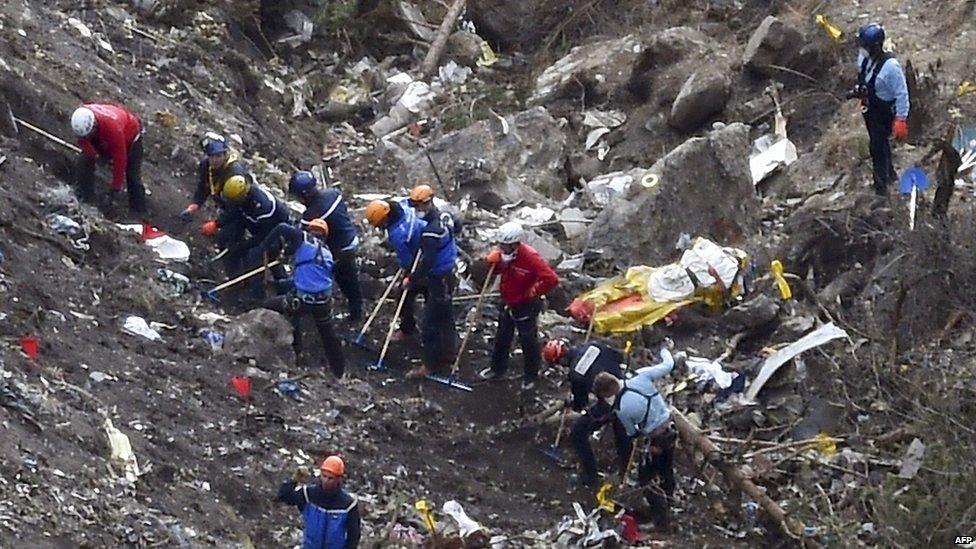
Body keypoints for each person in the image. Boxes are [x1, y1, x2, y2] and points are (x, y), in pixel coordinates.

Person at [593, 346, 678, 530]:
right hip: (671, 429)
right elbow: (668, 365)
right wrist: (664, 349)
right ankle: (670, 501)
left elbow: (632, 433)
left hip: (656, 440)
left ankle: (661, 520)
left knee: (645, 479)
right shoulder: (642, 376)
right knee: (666, 470)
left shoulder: (622, 409)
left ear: (608, 392)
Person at [260, 219, 346, 377]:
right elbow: (307, 279)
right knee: (328, 336)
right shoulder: (327, 253)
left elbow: (281, 227)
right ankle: (339, 373)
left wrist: (265, 245)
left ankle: (296, 355)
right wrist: (279, 283)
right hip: (323, 303)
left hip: (302, 301)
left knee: (270, 306)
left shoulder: (302, 237)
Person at [480, 222, 559, 390]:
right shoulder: (502, 255)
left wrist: (534, 291)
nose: (502, 248)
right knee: (502, 337)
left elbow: (551, 279)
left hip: (526, 304)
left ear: (515, 244)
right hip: (508, 300)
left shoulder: (530, 257)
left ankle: (531, 376)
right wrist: (492, 265)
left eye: (506, 246)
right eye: (501, 245)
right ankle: (497, 369)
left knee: (528, 341)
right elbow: (498, 272)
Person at [544, 339, 630, 486]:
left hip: (612, 402)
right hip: (626, 387)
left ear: (562, 360)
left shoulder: (576, 372)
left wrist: (572, 401)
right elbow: (619, 356)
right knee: (622, 433)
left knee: (578, 434)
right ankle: (624, 469)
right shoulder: (593, 345)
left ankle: (591, 476)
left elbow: (580, 403)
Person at [289, 170, 363, 322]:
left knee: (344, 281)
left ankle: (352, 315)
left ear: (305, 195)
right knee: (352, 280)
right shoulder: (333, 194)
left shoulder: (311, 215)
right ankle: (356, 310)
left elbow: (301, 235)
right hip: (351, 239)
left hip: (339, 250)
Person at [403, 184, 460, 379]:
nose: (416, 210)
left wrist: (411, 279)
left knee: (430, 322)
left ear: (426, 203)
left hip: (439, 277)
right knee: (446, 315)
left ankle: (430, 364)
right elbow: (458, 226)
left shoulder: (431, 232)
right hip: (451, 272)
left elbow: (427, 261)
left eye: (418, 206)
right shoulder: (446, 216)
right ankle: (449, 352)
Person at [849, 22, 910, 197]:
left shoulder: (891, 67)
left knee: (876, 146)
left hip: (884, 111)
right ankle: (890, 173)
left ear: (876, 47)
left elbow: (902, 93)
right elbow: (864, 78)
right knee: (880, 142)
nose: (863, 50)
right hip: (870, 108)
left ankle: (880, 188)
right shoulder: (864, 59)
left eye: (866, 47)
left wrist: (901, 119)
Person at [204, 175, 289, 300]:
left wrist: (243, 245)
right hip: (255, 225)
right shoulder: (241, 198)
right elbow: (236, 212)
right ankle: (238, 281)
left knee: (260, 258)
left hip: (274, 232)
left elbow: (263, 237)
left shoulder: (263, 208)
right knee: (231, 244)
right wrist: (217, 223)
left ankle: (261, 297)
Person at [364, 199, 426, 341]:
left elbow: (407, 262)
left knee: (404, 294)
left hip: (423, 258)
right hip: (426, 244)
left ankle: (408, 330)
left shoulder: (397, 234)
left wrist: (408, 276)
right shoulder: (403, 205)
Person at [70, 103, 146, 212]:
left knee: (132, 175)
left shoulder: (113, 129)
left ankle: (139, 211)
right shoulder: (82, 116)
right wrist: (93, 155)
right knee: (84, 160)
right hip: (103, 133)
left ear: (94, 126)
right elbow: (83, 142)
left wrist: (115, 188)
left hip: (130, 136)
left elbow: (120, 159)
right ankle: (85, 195)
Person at [277, 455, 361, 548]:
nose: (326, 481)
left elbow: (354, 536)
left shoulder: (348, 504)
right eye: (324, 476)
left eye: (330, 478)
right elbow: (284, 496)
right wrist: (294, 480)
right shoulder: (308, 494)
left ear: (339, 479)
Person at [179, 132, 254, 220]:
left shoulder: (235, 174)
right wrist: (195, 204)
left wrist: (217, 224)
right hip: (225, 206)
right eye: (211, 156)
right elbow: (203, 187)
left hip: (244, 213)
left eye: (218, 156)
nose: (214, 160)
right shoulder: (206, 165)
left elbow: (236, 208)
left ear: (225, 155)